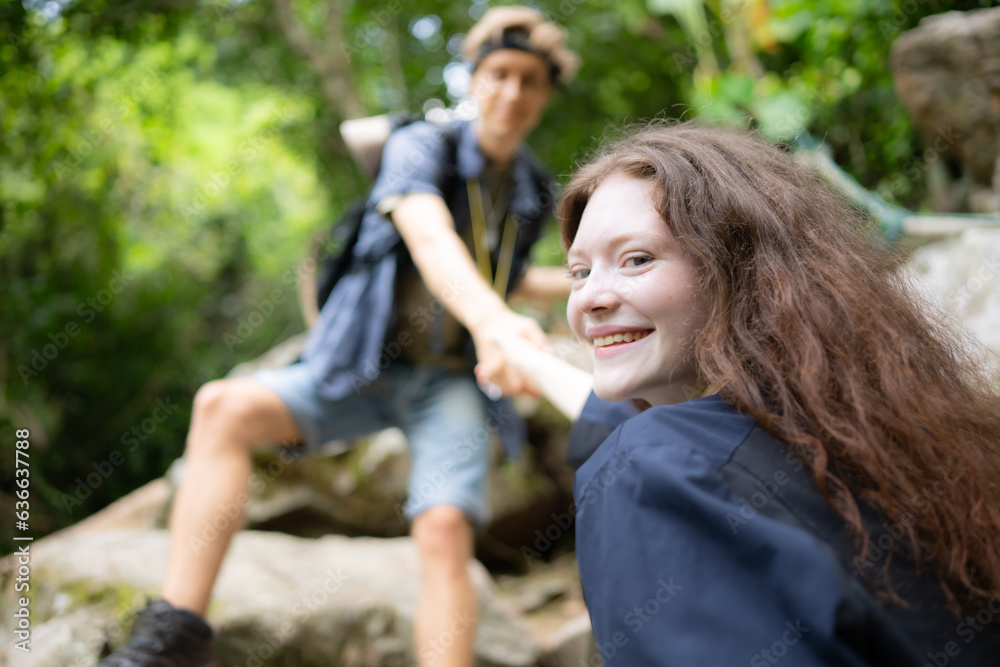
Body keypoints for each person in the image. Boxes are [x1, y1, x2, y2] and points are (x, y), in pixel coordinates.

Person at [99, 7, 578, 667]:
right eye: (499, 73)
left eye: (530, 80)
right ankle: (176, 637)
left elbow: (510, 275)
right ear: (473, 78)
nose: (512, 92)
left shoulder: (532, 188)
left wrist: (596, 280)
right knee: (222, 407)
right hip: (364, 363)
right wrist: (494, 323)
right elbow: (428, 234)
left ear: (546, 94)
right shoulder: (419, 145)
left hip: (450, 381)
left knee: (445, 524)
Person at [556, 121, 1000, 665]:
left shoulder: (651, 470)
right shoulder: (888, 439)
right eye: (579, 271)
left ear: (742, 272)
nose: (591, 298)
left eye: (637, 259)